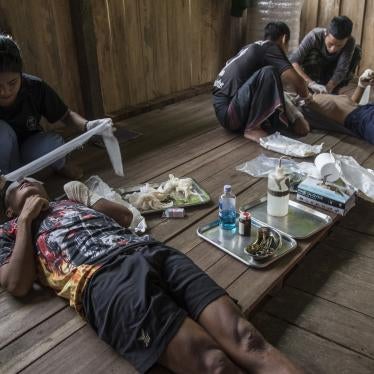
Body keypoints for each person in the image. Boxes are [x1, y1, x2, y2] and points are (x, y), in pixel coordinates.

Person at [0, 178, 303, 374]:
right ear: (10, 211)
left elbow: (124, 218)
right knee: (214, 364)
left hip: (149, 250)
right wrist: (26, 220)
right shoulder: (9, 233)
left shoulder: (67, 200)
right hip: (103, 280)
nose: (24, 180)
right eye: (15, 187)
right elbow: (17, 283)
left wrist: (88, 198)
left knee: (248, 339)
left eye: (30, 177)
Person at [0, 34, 110, 179]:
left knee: (54, 142)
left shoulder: (35, 88)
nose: (5, 92)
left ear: (21, 73)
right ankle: (6, 182)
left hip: (30, 149)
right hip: (2, 156)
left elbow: (65, 115)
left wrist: (88, 125)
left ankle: (59, 164)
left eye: (12, 83)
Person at [212, 21, 311, 144]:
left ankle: (256, 124)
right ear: (284, 38)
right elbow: (299, 84)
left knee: (272, 83)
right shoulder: (271, 47)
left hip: (222, 111)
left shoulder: (251, 47)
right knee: (270, 72)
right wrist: (307, 97)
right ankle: (252, 128)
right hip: (230, 114)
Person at [290, 68, 374, 144]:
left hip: (366, 109)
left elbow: (352, 104)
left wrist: (361, 85)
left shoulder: (316, 96)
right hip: (362, 120)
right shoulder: (303, 109)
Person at [290, 16, 361, 94]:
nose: (333, 49)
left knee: (357, 52)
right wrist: (310, 83)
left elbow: (341, 69)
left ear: (347, 39)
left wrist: (329, 88)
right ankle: (312, 88)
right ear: (325, 34)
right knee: (313, 53)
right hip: (316, 70)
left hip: (333, 69)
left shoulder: (350, 41)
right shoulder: (314, 36)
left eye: (339, 46)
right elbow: (294, 61)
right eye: (331, 44)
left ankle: (337, 87)